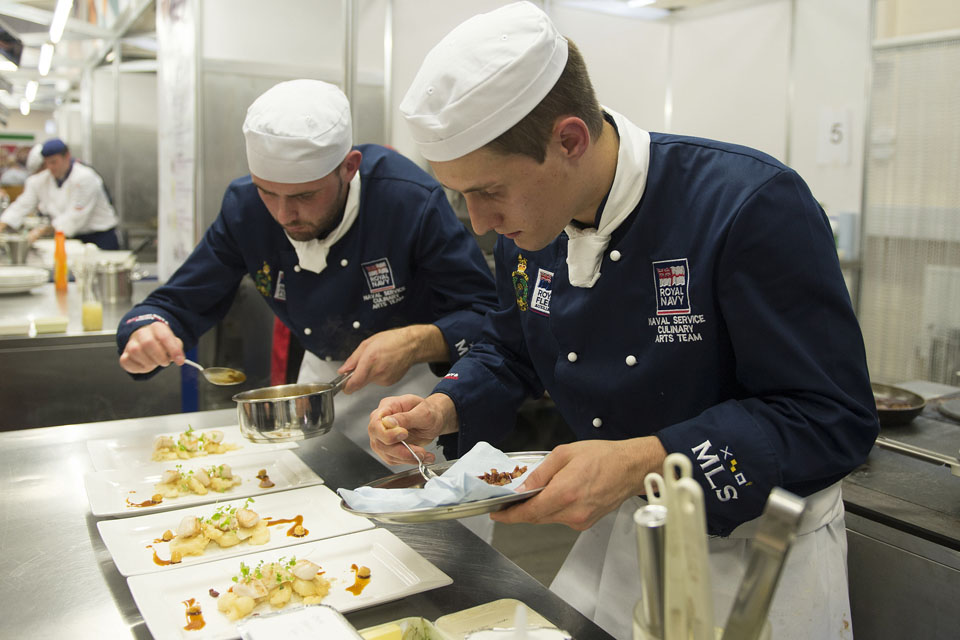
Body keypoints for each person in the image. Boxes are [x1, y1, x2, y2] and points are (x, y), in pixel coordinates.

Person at [367, 3, 879, 639]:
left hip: (758, 556)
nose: (477, 221)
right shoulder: (532, 228)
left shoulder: (746, 206)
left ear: (570, 140)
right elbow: (511, 349)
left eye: (490, 191)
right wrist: (444, 406)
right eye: (460, 194)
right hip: (626, 531)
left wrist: (647, 458)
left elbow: (832, 417)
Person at [116, 79, 498, 474]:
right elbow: (178, 302)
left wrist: (417, 342)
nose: (283, 215)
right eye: (268, 192)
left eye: (304, 196)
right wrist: (147, 329)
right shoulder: (244, 209)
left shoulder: (408, 201)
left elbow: (487, 314)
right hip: (322, 390)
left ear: (349, 168)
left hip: (424, 392)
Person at [0, 138, 120, 249]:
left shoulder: (85, 177)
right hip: (71, 238)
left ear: (67, 156)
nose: (50, 167)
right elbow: (22, 205)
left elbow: (75, 216)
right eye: (47, 163)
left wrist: (42, 231)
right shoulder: (42, 180)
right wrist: (3, 223)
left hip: (99, 238)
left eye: (54, 162)